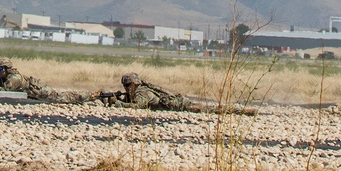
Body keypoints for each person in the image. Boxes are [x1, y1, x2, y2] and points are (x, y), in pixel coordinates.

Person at [101, 72, 255, 115]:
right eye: (125, 85)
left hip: (180, 106)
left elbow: (137, 106)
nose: (127, 88)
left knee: (211, 109)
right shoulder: (138, 91)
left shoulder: (142, 92)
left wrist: (118, 103)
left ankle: (243, 111)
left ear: (135, 84)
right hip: (176, 104)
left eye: (129, 85)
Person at [0, 58, 86, 104]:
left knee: (65, 98)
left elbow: (2, 91)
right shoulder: (8, 77)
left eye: (1, 69)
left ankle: (93, 96)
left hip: (41, 92)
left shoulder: (14, 78)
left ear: (7, 68)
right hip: (34, 93)